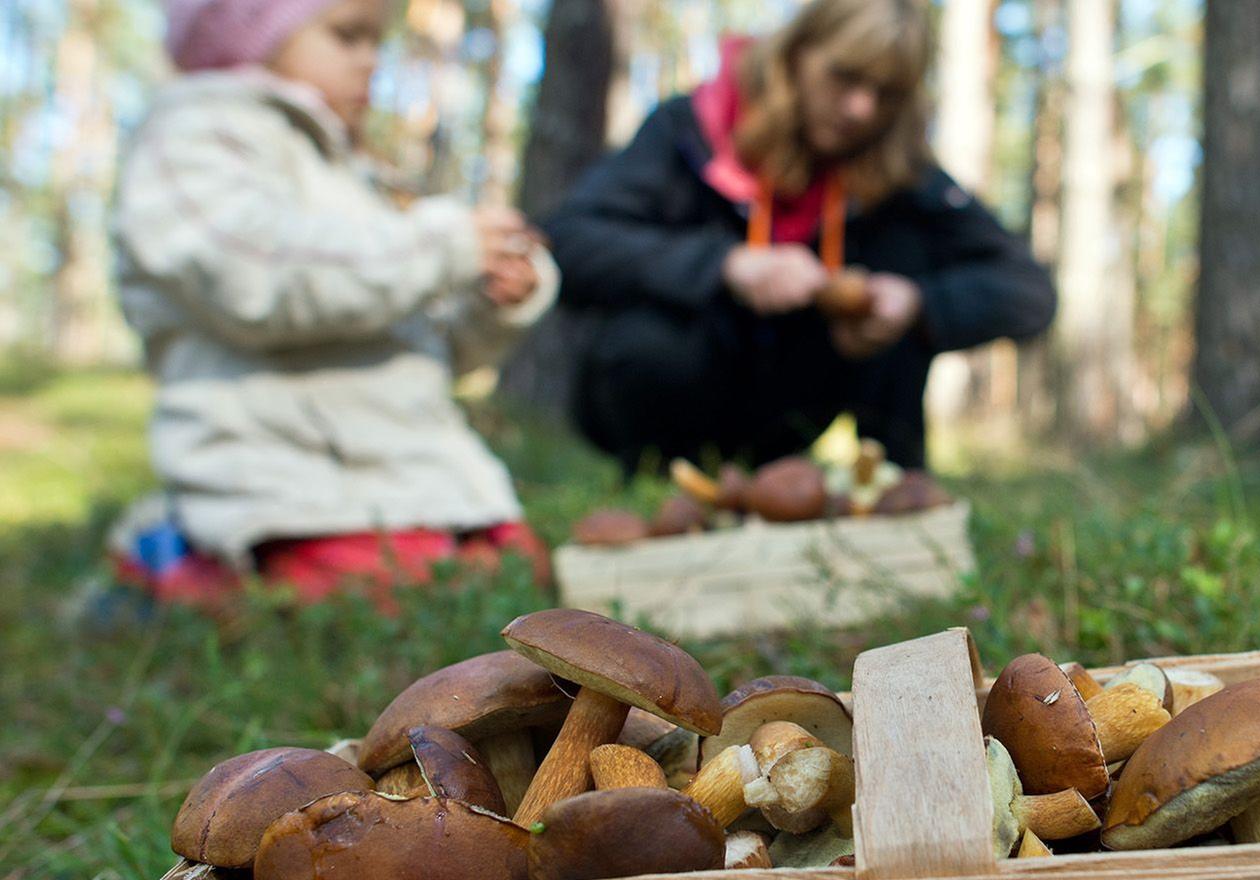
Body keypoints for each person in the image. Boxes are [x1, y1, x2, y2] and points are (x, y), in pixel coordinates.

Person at [109, 0, 557, 609]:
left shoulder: (357, 178)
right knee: (404, 594)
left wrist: (490, 302)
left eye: (376, 42)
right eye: (347, 36)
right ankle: (176, 566)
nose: (370, 61)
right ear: (248, 30)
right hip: (284, 479)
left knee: (518, 570)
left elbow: (425, 347)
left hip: (416, 476)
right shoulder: (192, 137)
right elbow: (252, 274)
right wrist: (439, 247)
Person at [546, 0, 1056, 476]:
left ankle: (891, 484)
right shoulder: (688, 131)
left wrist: (919, 304)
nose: (860, 108)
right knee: (652, 331)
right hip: (666, 402)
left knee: (905, 253)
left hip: (793, 414)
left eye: (885, 93)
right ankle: (661, 483)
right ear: (796, 54)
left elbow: (1029, 291)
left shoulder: (899, 171)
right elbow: (567, 241)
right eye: (844, 76)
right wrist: (724, 265)